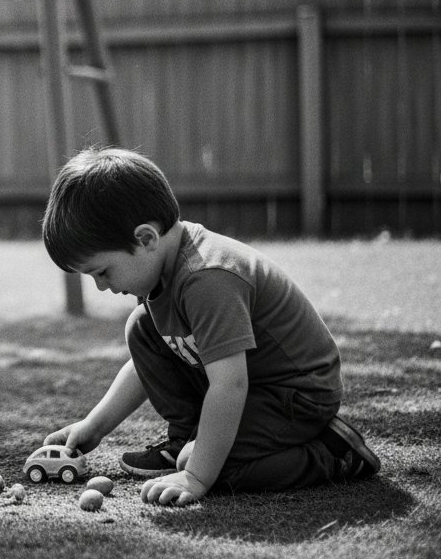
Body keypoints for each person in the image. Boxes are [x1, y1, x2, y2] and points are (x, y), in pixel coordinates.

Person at [39, 146, 381, 507]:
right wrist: (93, 427)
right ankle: (186, 438)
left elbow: (230, 384)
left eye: (102, 271)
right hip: (252, 385)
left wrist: (197, 474)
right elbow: (148, 365)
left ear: (145, 239)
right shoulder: (159, 271)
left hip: (294, 394)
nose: (102, 287)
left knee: (208, 465)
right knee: (143, 328)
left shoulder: (207, 279)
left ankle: (331, 451)